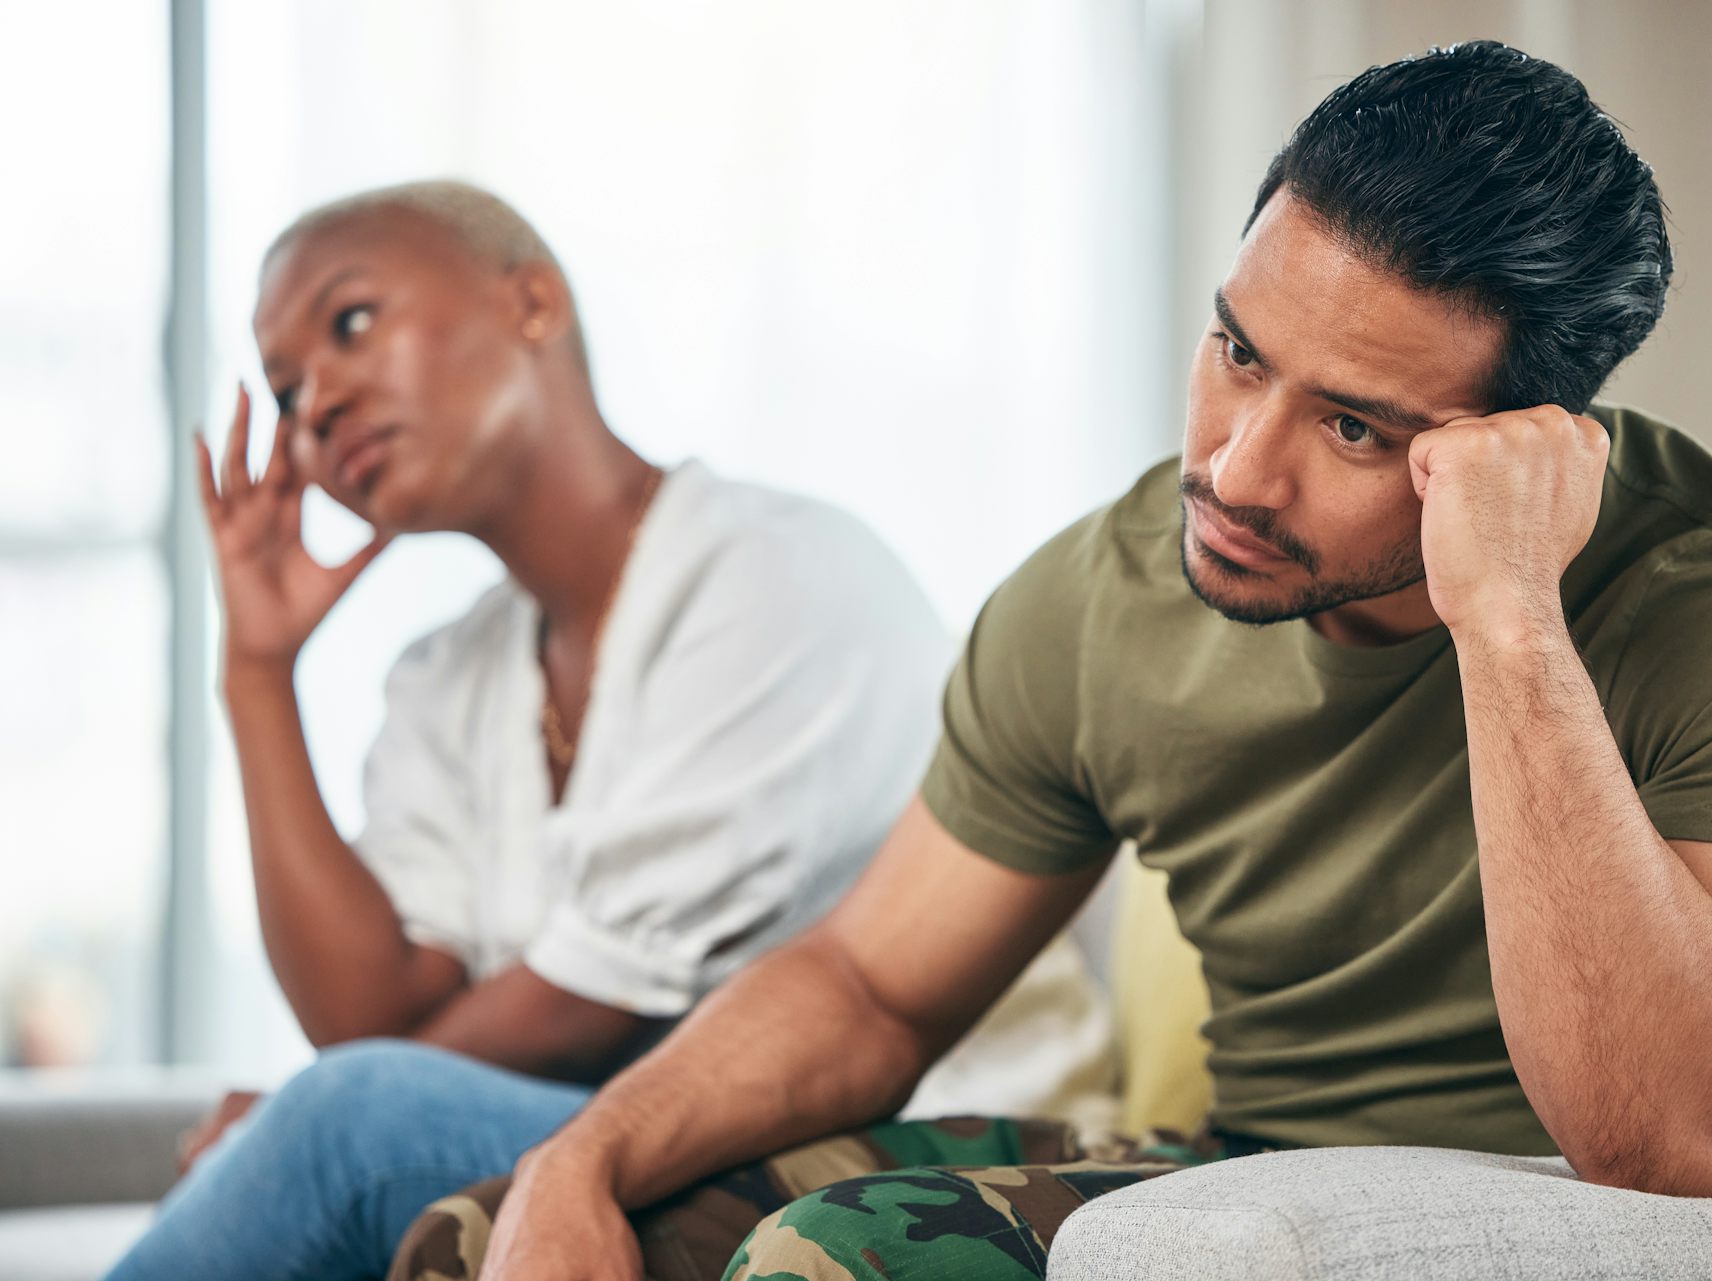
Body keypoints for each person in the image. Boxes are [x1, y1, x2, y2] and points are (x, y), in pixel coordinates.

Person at [385, 42, 1712, 1281]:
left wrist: (1507, 614)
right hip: (1240, 1189)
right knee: (490, 1234)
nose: (1240, 473)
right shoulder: (1105, 596)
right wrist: (580, 1157)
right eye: (1240, 352)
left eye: (1357, 427)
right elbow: (867, 987)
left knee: (830, 1260)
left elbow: (1680, 1146)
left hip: (1556, 1203)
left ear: (1529, 439)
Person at [104, 182, 1112, 1280]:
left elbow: (568, 1018)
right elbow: (368, 1018)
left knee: (344, 1124)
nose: (317, 409)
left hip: (930, 1144)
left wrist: (307, 1119)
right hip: (653, 1124)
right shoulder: (449, 676)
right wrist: (257, 675)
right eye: (287, 393)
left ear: (533, 303)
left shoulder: (776, 576)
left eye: (351, 323)